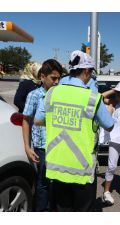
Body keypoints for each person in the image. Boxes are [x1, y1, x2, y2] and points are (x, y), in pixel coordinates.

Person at [34, 50, 114, 212]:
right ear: (86, 71)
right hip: (83, 172)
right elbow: (109, 125)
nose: (91, 75)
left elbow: (38, 120)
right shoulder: (92, 97)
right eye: (91, 72)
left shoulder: (51, 93)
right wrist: (110, 111)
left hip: (56, 169)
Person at [22, 59, 63, 211]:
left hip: (59, 145)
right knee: (43, 182)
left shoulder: (60, 95)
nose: (57, 82)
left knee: (58, 182)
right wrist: (27, 146)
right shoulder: (34, 95)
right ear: (42, 77)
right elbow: (26, 121)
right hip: (42, 148)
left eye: (59, 78)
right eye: (53, 78)